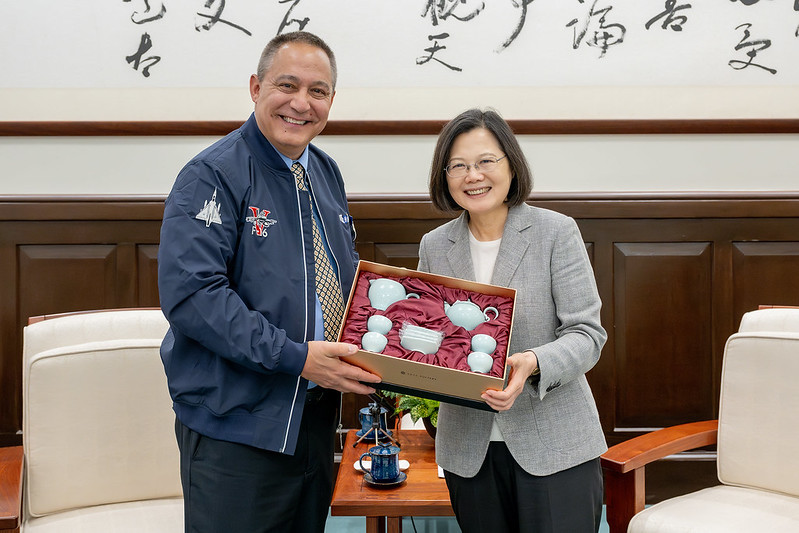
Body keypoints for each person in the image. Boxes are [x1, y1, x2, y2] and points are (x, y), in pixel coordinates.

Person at [157, 31, 381, 533]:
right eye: (287, 85)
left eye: (318, 91)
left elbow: (338, 285)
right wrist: (297, 358)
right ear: (256, 87)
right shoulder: (211, 174)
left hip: (315, 420)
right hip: (237, 427)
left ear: (331, 101)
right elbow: (194, 298)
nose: (301, 104)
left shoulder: (324, 172)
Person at [418, 108, 607, 533]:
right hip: (470, 450)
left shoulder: (555, 232)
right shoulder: (435, 245)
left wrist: (533, 362)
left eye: (486, 161)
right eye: (459, 166)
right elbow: (433, 338)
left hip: (556, 443)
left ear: (511, 164)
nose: (473, 175)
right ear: (444, 176)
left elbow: (587, 334)